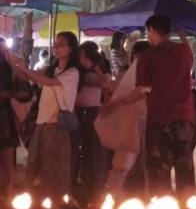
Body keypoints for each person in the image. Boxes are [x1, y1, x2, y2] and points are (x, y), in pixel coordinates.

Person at [102, 15, 196, 193]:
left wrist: (120, 102)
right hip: (184, 118)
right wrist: (183, 37)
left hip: (160, 118)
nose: (148, 36)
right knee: (184, 164)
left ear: (152, 30)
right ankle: (188, 208)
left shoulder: (148, 56)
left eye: (148, 32)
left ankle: (161, 208)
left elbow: (143, 89)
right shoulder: (184, 51)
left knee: (158, 167)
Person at [6, 32, 81, 198]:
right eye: (55, 44)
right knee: (36, 165)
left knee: (53, 168)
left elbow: (49, 82)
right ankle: (38, 203)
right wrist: (14, 64)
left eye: (61, 44)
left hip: (56, 126)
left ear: (70, 49)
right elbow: (26, 77)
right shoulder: (51, 69)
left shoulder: (72, 72)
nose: (56, 47)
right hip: (41, 123)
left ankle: (56, 205)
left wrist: (22, 67)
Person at [101, 39, 151, 193]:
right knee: (123, 161)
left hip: (148, 120)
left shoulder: (154, 75)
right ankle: (115, 195)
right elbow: (117, 96)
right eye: (136, 59)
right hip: (129, 122)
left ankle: (142, 193)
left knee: (146, 161)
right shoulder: (126, 75)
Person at [74, 41, 111, 199]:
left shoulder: (102, 70)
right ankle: (77, 181)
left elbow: (105, 85)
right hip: (75, 111)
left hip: (93, 111)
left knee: (94, 148)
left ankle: (95, 183)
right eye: (80, 56)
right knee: (76, 147)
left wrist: (96, 66)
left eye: (84, 56)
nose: (82, 60)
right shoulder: (76, 71)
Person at [0, 52, 29, 196]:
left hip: (6, 118)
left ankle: (6, 196)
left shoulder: (10, 69)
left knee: (8, 162)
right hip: (6, 119)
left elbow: (26, 92)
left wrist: (7, 94)